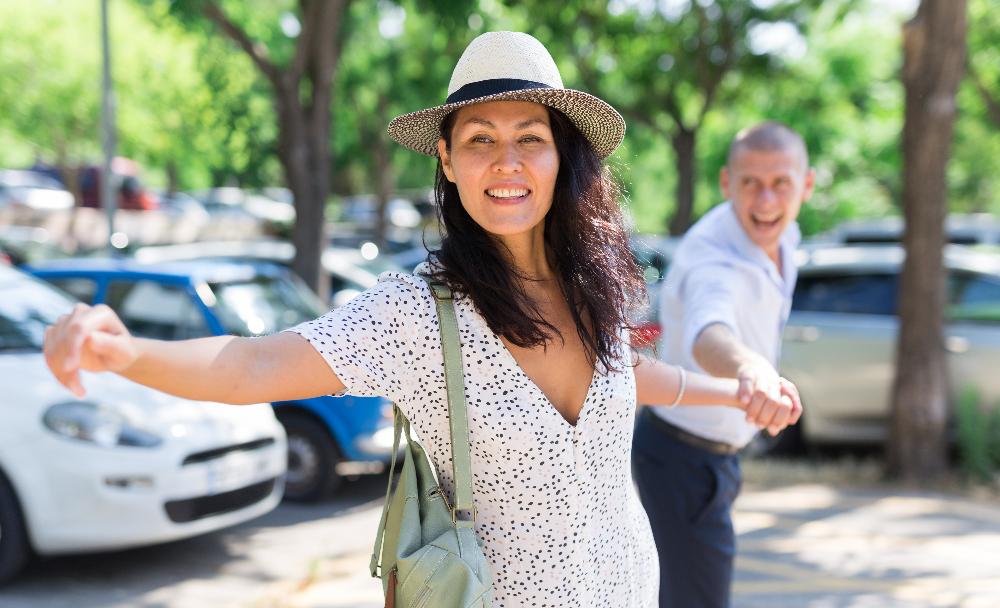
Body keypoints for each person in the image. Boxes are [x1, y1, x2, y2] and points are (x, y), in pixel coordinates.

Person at [42, 33, 801, 607]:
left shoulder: (591, 286)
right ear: (446, 159)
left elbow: (634, 376)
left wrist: (734, 395)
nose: (506, 161)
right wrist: (126, 352)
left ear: (561, 156)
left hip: (632, 585)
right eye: (481, 140)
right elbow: (254, 366)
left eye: (529, 139)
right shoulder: (415, 312)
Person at [632, 121, 814, 608]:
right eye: (750, 183)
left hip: (709, 457)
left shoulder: (784, 235)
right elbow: (709, 334)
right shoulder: (714, 257)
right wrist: (751, 369)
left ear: (807, 185)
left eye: (781, 183)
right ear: (726, 183)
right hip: (682, 460)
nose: (766, 200)